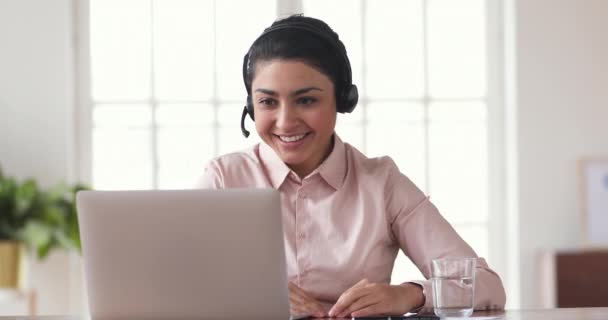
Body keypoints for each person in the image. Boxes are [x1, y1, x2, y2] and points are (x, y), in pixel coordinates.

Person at [199, 14, 506, 318]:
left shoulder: (382, 184)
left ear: (343, 100)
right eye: (268, 102)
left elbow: (486, 284)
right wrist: (254, 295)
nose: (285, 121)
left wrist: (409, 294)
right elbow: (173, 279)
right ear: (251, 107)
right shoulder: (223, 178)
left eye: (306, 101)